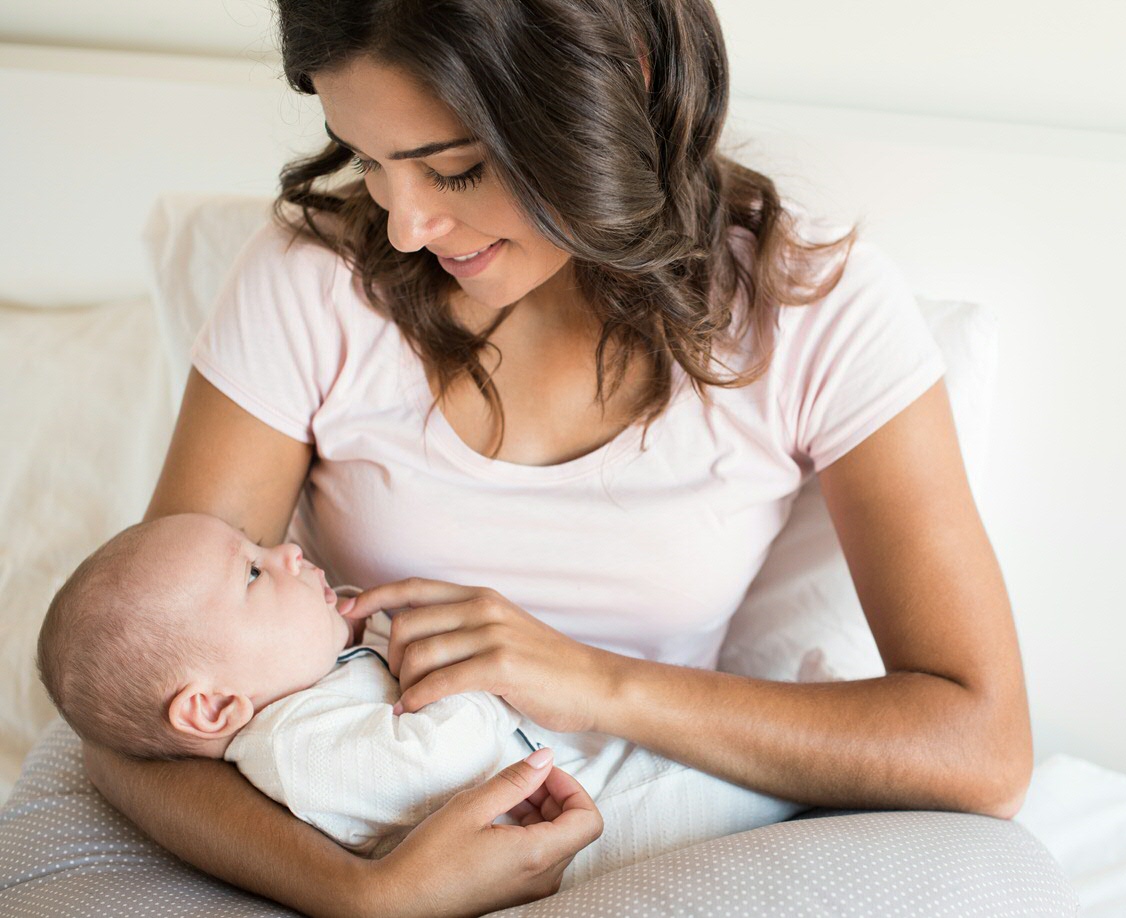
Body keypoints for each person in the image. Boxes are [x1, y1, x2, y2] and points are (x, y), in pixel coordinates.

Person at [80, 0, 1034, 915]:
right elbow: (135, 710)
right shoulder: (313, 282)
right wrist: (366, 895)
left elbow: (982, 747)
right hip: (364, 839)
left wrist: (591, 680)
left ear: (614, 91)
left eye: (451, 170)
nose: (405, 225)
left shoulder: (808, 309)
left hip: (654, 821)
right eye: (369, 159)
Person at [38, 513, 803, 885]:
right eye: (252, 575)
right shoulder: (296, 748)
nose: (288, 551)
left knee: (756, 753)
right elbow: (446, 755)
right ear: (210, 709)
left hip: (583, 769)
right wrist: (416, 662)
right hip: (610, 820)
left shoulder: (313, 688)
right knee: (741, 785)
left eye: (258, 545)